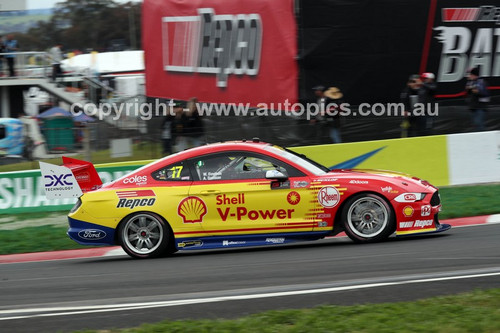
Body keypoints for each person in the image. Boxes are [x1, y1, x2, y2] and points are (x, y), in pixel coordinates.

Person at [465, 67, 489, 132]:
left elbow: (484, 93)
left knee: (479, 124)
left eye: (470, 74)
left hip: (480, 107)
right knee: (475, 125)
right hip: (473, 106)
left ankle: (483, 139)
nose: (469, 76)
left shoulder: (481, 82)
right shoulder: (470, 82)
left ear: (474, 75)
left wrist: (475, 90)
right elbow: (468, 92)